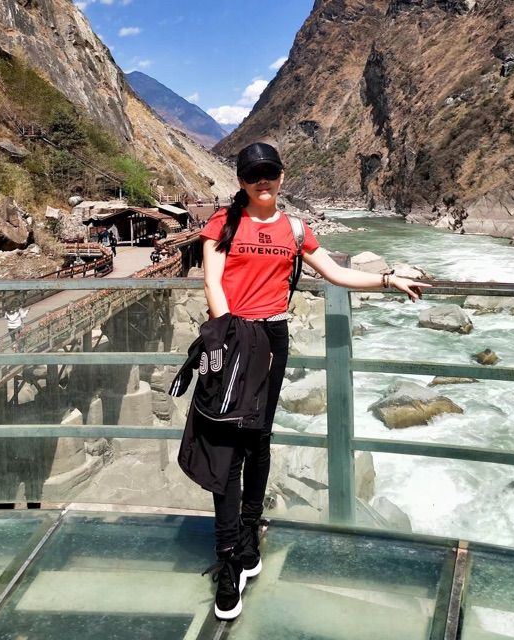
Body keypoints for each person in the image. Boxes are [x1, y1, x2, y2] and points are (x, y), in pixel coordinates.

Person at [184, 142, 429, 620]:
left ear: (281, 176)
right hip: (234, 337)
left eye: (269, 173)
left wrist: (387, 280)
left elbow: (335, 273)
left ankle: (249, 536)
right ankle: (228, 556)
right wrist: (229, 338)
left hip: (274, 338)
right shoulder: (223, 223)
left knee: (258, 440)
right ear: (240, 181)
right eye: (253, 174)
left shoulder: (295, 229)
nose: (262, 181)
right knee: (227, 448)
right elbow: (212, 282)